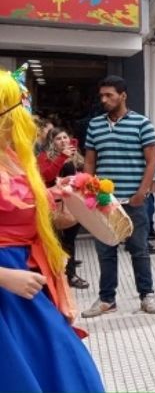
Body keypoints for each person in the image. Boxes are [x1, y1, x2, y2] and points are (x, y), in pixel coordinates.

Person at [0, 67, 105, 391]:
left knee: (66, 369)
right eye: (21, 106)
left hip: (29, 277)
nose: (28, 117)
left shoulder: (13, 157)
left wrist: (67, 202)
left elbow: (34, 214)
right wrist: (4, 276)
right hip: (10, 283)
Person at [81, 75, 155, 318]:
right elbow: (89, 161)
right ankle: (107, 299)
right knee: (105, 252)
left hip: (134, 201)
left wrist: (142, 192)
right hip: (104, 202)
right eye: (102, 96)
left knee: (139, 250)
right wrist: (88, 191)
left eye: (109, 95)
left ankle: (146, 296)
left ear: (123, 96)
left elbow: (152, 161)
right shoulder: (95, 125)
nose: (104, 100)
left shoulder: (142, 124)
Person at [38, 128, 90, 289]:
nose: (63, 141)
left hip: (72, 205)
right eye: (58, 138)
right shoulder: (44, 157)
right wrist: (62, 157)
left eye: (65, 137)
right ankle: (54, 276)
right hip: (52, 206)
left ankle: (71, 275)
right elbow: (46, 176)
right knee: (54, 242)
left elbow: (82, 176)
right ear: (51, 142)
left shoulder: (75, 156)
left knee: (69, 241)